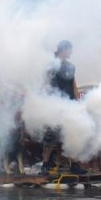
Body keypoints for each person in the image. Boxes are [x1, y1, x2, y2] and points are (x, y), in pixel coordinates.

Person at [41, 40, 79, 174]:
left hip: (70, 104)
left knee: (72, 134)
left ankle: (74, 165)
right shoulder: (51, 65)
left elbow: (74, 85)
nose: (71, 52)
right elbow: (46, 84)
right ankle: (45, 165)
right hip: (55, 105)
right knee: (51, 136)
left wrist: (78, 101)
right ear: (64, 49)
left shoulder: (71, 66)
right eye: (70, 49)